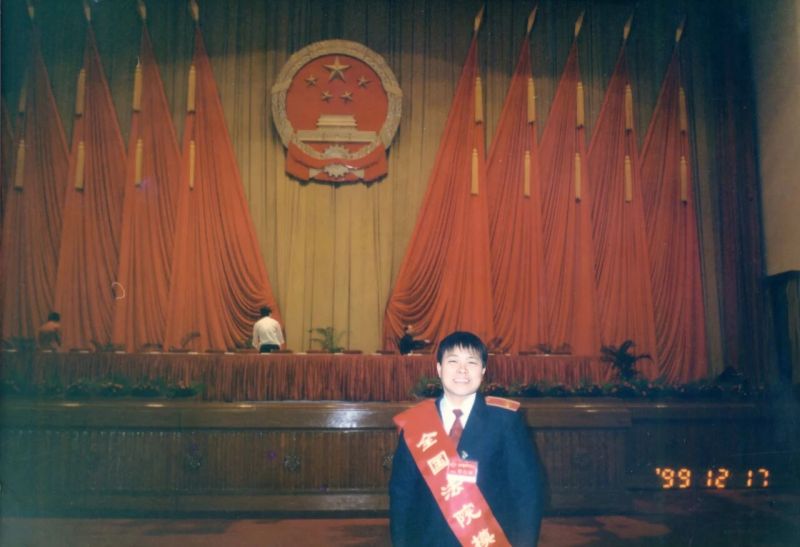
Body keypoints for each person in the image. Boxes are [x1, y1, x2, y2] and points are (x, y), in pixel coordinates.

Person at [389, 331, 544, 546]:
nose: (462, 369)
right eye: (453, 361)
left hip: (487, 540)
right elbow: (401, 496)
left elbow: (526, 492)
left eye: (471, 362)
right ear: (439, 368)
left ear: (483, 370)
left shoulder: (505, 420)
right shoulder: (417, 423)